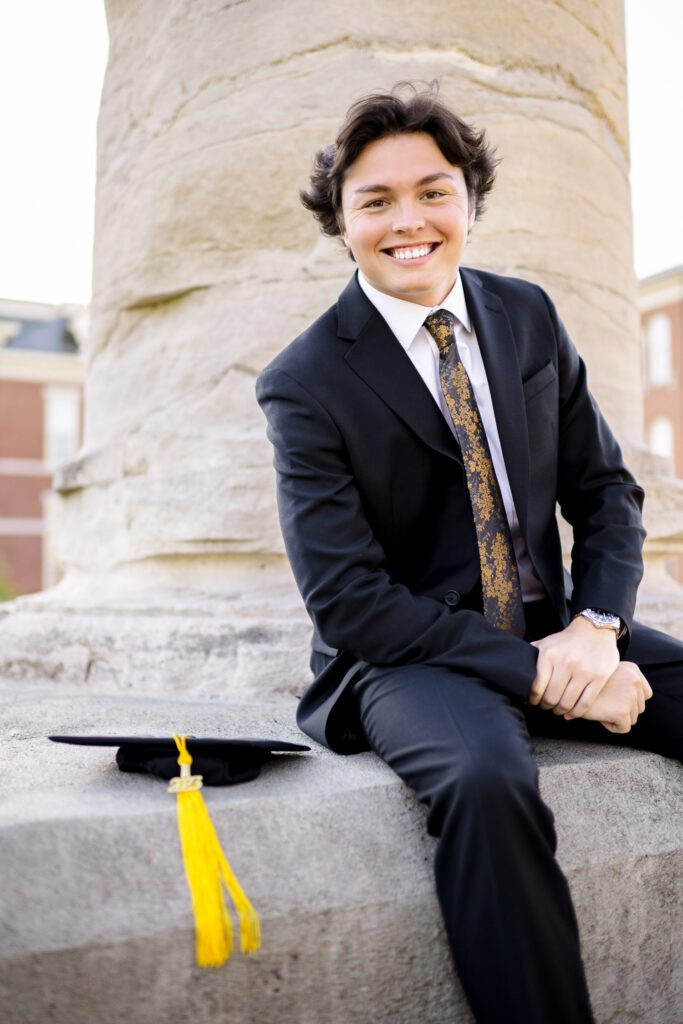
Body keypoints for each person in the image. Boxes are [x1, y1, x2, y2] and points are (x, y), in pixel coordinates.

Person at [255, 82, 683, 1024]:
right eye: (375, 202)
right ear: (341, 223)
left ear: (470, 201)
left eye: (433, 191)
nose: (409, 221)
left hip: (553, 624)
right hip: (407, 656)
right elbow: (352, 605)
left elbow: (606, 493)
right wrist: (542, 673)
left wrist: (595, 630)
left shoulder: (526, 314)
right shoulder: (304, 381)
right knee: (487, 782)